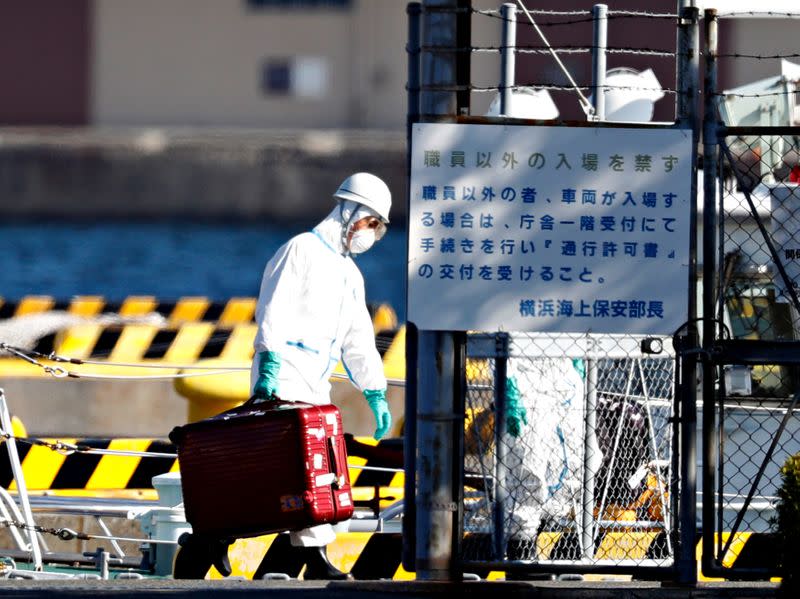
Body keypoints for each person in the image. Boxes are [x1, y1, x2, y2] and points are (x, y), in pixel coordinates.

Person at [250, 172, 393, 580]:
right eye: (371, 224)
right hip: (285, 373)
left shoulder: (350, 274)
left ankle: (293, 557)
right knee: (299, 470)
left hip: (316, 382)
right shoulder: (301, 250)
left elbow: (359, 340)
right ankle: (310, 559)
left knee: (320, 471)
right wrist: (270, 364)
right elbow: (272, 310)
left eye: (378, 230)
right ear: (351, 213)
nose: (371, 235)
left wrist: (375, 392)